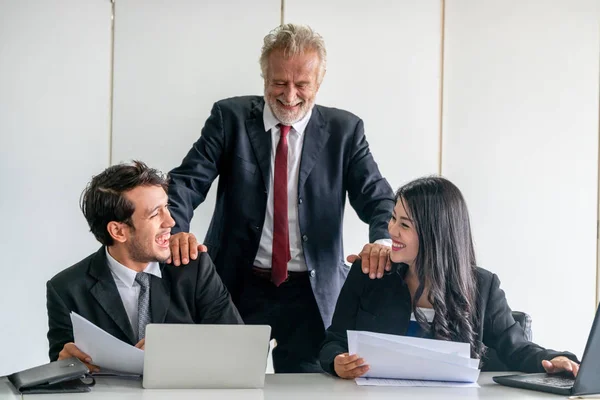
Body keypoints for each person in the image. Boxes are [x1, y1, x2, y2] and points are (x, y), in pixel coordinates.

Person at [166, 23, 395, 372]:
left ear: (318, 83)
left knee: (308, 389)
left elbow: (378, 198)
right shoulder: (230, 119)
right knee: (223, 382)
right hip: (238, 285)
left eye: (301, 84)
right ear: (264, 77)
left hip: (311, 293)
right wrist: (175, 230)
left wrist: (382, 241)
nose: (289, 96)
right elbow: (186, 182)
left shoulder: (344, 131)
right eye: (278, 83)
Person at [319, 176, 580, 379]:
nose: (392, 230)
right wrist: (337, 363)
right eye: (393, 218)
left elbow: (517, 349)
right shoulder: (369, 273)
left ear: (436, 235)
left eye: (405, 225)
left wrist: (556, 359)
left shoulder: (483, 287)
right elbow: (334, 342)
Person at [46, 161, 242, 372]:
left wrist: (179, 350)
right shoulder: (66, 289)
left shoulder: (194, 269)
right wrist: (65, 365)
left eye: (166, 208)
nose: (171, 222)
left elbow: (239, 348)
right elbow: (64, 367)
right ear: (118, 231)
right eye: (155, 214)